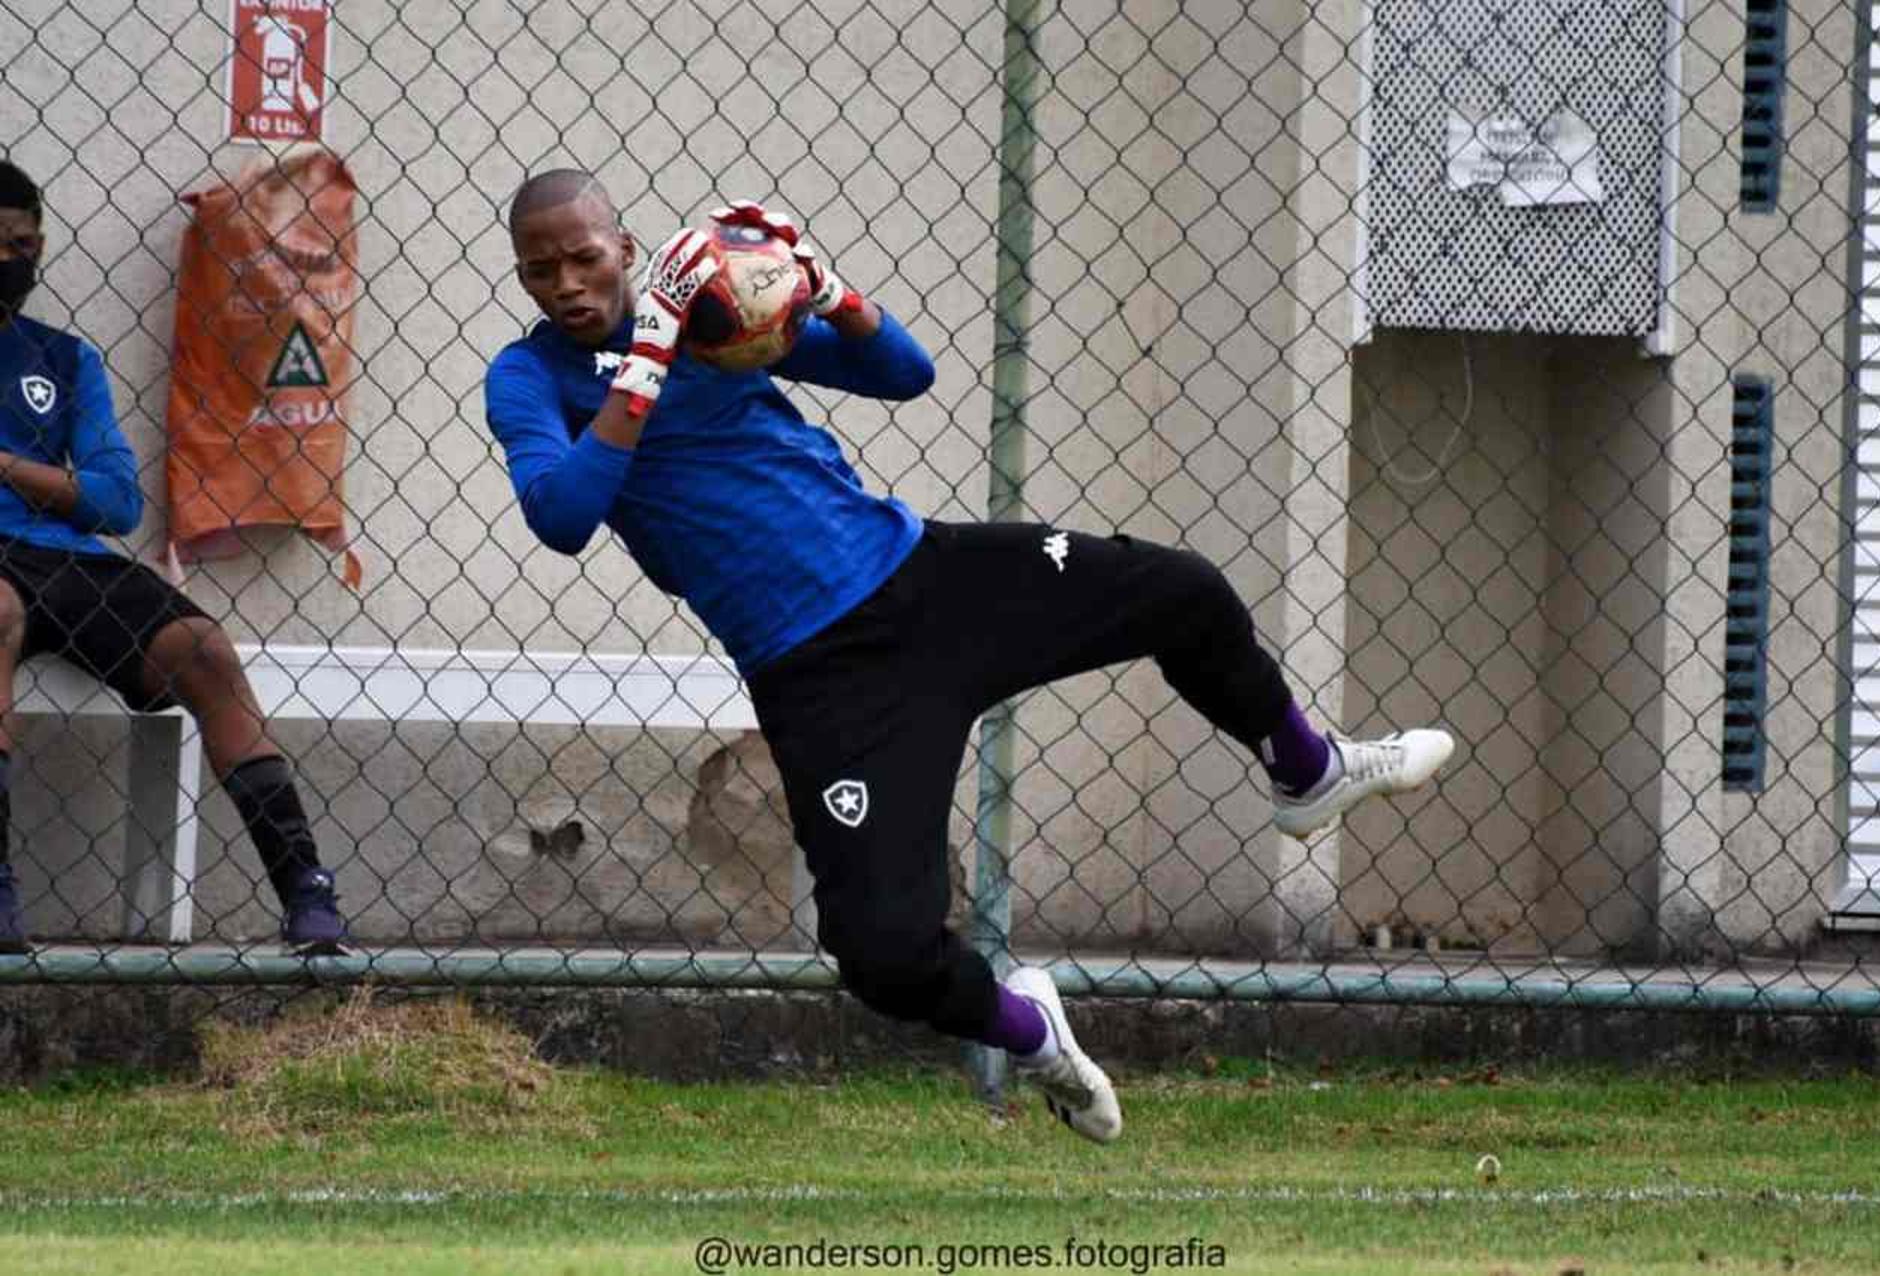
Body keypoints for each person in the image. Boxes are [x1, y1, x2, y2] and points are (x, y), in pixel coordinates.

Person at [484, 171, 1453, 1143]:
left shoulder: (713, 323)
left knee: (1183, 590)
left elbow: (904, 374)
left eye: (584, 256)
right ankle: (1029, 1029)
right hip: (825, 683)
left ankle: (1306, 766)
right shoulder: (531, 378)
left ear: (624, 246)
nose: (566, 282)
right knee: (882, 955)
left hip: (929, 584)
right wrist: (645, 356)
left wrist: (828, 293)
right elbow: (562, 515)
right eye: (541, 269)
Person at [0, 159, 346, 956]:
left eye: (22, 243)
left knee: (205, 650)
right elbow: (86, 486)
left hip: (68, 559)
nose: (10, 261)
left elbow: (116, 502)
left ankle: (306, 891)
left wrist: (11, 469)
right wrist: (60, 482)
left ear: (41, 244)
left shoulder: (62, 358)